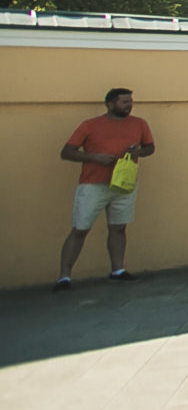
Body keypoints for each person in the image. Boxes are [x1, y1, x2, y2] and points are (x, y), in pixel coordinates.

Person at [56, 88, 157, 290]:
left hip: (124, 184)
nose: (129, 105)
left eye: (130, 101)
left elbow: (150, 148)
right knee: (80, 229)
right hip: (93, 184)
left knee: (119, 228)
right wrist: (94, 157)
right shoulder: (89, 125)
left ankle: (117, 270)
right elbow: (66, 152)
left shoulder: (139, 124)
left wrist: (138, 152)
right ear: (110, 104)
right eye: (124, 102)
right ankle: (64, 277)